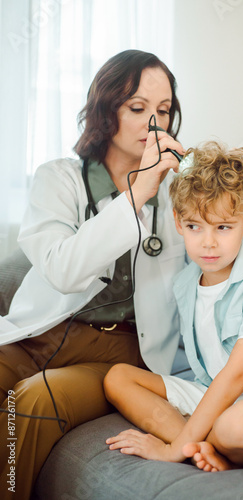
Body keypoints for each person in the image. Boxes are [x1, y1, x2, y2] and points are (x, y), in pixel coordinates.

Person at [0, 49, 186, 499]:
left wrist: (157, 190)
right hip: (43, 331)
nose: (154, 124)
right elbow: (63, 270)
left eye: (163, 111)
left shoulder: (181, 192)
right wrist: (136, 194)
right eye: (138, 109)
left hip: (121, 349)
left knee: (35, 399)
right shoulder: (59, 179)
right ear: (106, 111)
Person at [104, 141, 243, 472]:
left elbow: (238, 374)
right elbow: (216, 380)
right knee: (118, 378)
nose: (208, 242)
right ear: (179, 223)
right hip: (219, 396)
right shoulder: (186, 283)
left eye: (223, 227)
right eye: (195, 226)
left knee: (239, 424)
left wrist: (171, 449)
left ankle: (193, 443)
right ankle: (209, 450)